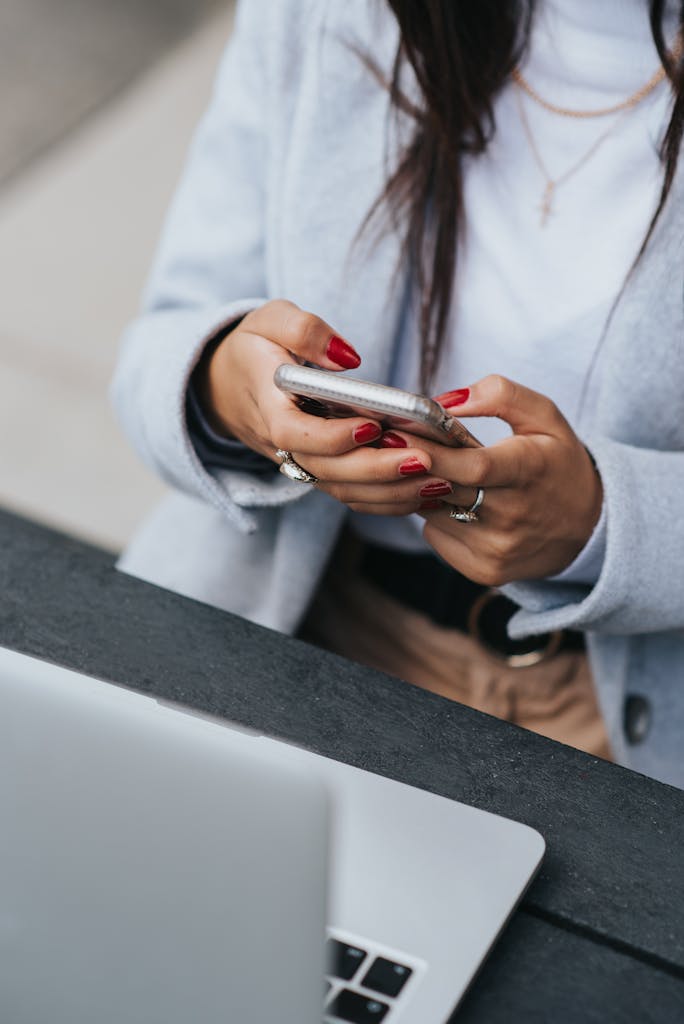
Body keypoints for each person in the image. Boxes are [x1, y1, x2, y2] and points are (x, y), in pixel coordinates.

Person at [111, 0, 684, 788]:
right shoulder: (323, 14)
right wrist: (225, 387)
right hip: (300, 626)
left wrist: (603, 524)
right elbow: (154, 347)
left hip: (614, 725)